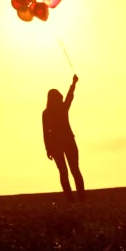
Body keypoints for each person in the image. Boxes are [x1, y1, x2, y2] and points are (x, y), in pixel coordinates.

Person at [42, 74, 85, 203]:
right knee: (73, 170)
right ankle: (79, 198)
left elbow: (45, 133)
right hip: (66, 142)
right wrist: (73, 83)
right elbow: (69, 97)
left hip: (57, 145)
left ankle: (72, 199)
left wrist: (48, 149)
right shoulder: (61, 109)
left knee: (66, 172)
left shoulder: (48, 112)